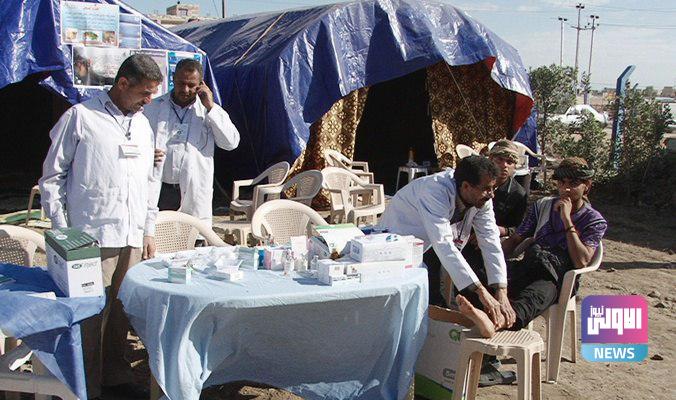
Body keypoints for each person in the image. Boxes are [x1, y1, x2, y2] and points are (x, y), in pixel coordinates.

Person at [40, 54, 163, 399]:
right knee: (90, 315)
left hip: (131, 234)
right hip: (90, 236)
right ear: (123, 83)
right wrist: (64, 231)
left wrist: (148, 228)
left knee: (122, 310)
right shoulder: (81, 118)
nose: (149, 100)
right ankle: (87, 387)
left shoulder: (143, 125)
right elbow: (52, 176)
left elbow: (149, 181)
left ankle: (114, 377)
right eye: (145, 92)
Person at [379, 155, 516, 330]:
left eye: (494, 188)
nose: (491, 194)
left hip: (430, 242)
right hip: (398, 237)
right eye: (487, 189)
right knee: (409, 297)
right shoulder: (434, 191)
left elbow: (490, 240)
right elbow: (442, 242)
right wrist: (481, 291)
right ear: (466, 186)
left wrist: (501, 290)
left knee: (433, 294)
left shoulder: (482, 197)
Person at [501, 157, 607, 331]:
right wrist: (492, 259)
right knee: (484, 283)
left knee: (527, 302)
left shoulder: (594, 221)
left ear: (586, 186)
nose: (566, 189)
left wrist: (567, 220)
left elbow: (581, 261)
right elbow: (515, 239)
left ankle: (500, 325)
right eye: (562, 183)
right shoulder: (542, 206)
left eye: (573, 183)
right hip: (530, 266)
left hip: (557, 279)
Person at [144, 59, 240, 228]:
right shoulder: (153, 108)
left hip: (194, 189)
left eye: (191, 85)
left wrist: (210, 107)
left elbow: (231, 143)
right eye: (181, 83)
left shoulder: (208, 111)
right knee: (158, 235)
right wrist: (146, 153)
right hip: (161, 188)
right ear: (173, 78)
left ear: (201, 84)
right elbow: (137, 140)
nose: (185, 90)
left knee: (193, 238)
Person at [461, 140, 528, 295]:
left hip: (489, 242)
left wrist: (496, 231)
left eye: (509, 162)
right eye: (499, 160)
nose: (504, 165)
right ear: (490, 160)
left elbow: (520, 229)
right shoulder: (475, 181)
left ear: (514, 166)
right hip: (463, 233)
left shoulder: (518, 193)